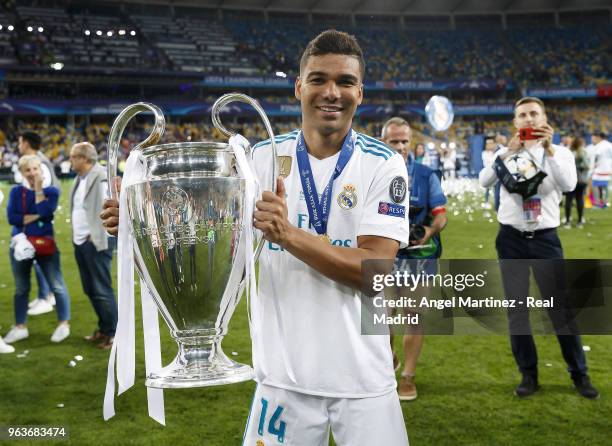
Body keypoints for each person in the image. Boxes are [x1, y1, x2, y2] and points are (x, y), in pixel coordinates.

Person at [102, 30, 410, 445]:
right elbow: (211, 240)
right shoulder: (259, 158)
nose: (331, 92)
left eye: (345, 82)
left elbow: (376, 271)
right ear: (299, 87)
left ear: (361, 92)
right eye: (318, 79)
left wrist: (288, 234)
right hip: (282, 377)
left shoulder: (383, 164)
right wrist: (145, 222)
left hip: (362, 378)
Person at [479, 97, 599, 399]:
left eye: (534, 113)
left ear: (544, 118)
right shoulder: (504, 152)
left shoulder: (558, 152)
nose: (529, 119)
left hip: (545, 239)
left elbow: (569, 185)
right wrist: (508, 152)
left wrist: (547, 148)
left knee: (561, 311)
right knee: (517, 312)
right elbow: (484, 181)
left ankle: (579, 374)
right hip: (511, 239)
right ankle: (528, 374)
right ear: (515, 121)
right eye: (523, 115)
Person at [381, 117, 447, 401]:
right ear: (383, 142)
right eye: (393, 141)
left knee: (413, 317)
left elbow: (441, 215)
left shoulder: (425, 174)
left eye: (404, 141)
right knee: (381, 321)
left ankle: (408, 376)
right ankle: (390, 356)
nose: (400, 146)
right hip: (384, 257)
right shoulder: (372, 173)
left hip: (419, 256)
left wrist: (428, 231)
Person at [4, 155, 71, 344]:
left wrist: (38, 191)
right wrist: (36, 217)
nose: (32, 173)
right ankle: (20, 327)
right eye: (28, 170)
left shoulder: (51, 191)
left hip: (44, 243)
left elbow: (45, 212)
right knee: (21, 288)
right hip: (20, 244)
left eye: (35, 169)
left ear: (41, 170)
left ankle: (63, 323)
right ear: (22, 172)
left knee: (56, 284)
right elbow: (12, 219)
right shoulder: (16, 191)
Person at [69, 142, 117, 349]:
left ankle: (114, 334)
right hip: (80, 240)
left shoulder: (101, 177)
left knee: (101, 288)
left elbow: (109, 207)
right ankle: (104, 329)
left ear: (85, 159)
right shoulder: (80, 178)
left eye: (73, 157)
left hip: (96, 241)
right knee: (90, 288)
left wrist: (93, 234)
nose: (70, 160)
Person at [17, 131, 59, 316]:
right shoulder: (33, 160)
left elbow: (44, 194)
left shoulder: (37, 163)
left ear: (26, 143)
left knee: (41, 256)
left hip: (39, 221)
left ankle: (47, 297)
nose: (18, 145)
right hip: (34, 220)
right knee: (35, 257)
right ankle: (44, 295)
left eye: (20, 142)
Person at [563, 137, 589, 228]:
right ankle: (580, 221)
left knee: (568, 200)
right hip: (581, 180)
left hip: (570, 179)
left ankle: (567, 222)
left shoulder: (568, 152)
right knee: (579, 199)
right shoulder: (582, 152)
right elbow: (587, 165)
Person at [590, 132, 612, 209]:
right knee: (605, 187)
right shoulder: (610, 145)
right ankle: (606, 203)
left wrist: (593, 166)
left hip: (599, 170)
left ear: (599, 137)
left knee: (595, 185)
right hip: (608, 169)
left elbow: (597, 156)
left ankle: (597, 203)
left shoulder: (599, 146)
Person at [481, 137, 497, 208]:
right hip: (487, 172)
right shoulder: (484, 153)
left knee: (495, 188)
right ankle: (486, 202)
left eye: (491, 144)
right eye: (488, 144)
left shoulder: (494, 153)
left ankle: (496, 203)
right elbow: (488, 161)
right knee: (487, 188)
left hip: (494, 172)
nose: (490, 145)